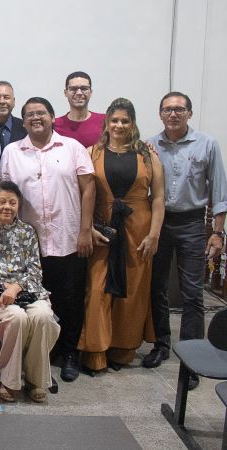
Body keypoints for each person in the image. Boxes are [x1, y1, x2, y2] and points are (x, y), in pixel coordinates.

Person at [0, 97, 95, 383]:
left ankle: (69, 354)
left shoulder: (72, 148)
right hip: (30, 244)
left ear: (53, 117)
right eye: (29, 115)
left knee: (71, 299)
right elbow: (6, 194)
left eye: (41, 113)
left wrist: (86, 230)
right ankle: (43, 353)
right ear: (23, 120)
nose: (35, 118)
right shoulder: (12, 151)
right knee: (37, 300)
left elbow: (88, 189)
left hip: (68, 237)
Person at [144, 92, 227, 391]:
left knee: (192, 293)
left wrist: (217, 232)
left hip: (193, 222)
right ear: (160, 113)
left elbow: (219, 192)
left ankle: (191, 357)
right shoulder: (150, 146)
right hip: (160, 222)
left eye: (179, 109)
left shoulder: (207, 144)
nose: (173, 114)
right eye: (167, 109)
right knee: (157, 287)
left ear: (189, 113)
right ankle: (161, 344)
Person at [77, 98, 165, 375]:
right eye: (114, 120)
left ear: (133, 124)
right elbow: (84, 193)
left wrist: (154, 235)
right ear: (106, 123)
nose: (119, 125)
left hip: (138, 229)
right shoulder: (92, 153)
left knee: (133, 290)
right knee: (97, 289)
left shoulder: (149, 156)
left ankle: (123, 350)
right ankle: (96, 352)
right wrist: (87, 227)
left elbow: (160, 198)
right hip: (103, 229)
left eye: (125, 121)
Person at [0, 181, 60, 403]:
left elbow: (35, 271)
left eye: (12, 202)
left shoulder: (28, 232)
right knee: (17, 317)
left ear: (19, 205)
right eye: (2, 201)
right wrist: (5, 288)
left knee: (43, 316)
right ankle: (9, 381)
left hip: (29, 290)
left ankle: (35, 379)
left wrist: (17, 286)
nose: (7, 207)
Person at [54, 71, 105, 148]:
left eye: (84, 88)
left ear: (91, 92)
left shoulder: (105, 121)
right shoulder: (55, 125)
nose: (79, 93)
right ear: (65, 92)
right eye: (73, 89)